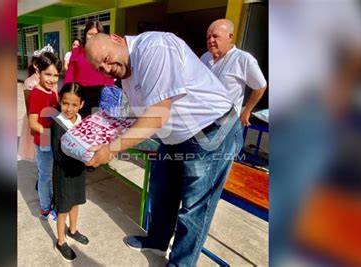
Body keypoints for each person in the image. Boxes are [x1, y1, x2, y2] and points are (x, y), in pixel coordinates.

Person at [85, 32, 244, 266]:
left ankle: (181, 263)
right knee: (161, 192)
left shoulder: (154, 48)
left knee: (194, 209)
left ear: (117, 39)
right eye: (100, 68)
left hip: (211, 131)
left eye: (107, 59)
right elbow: (139, 115)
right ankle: (158, 241)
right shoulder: (127, 71)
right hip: (173, 137)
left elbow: (156, 115)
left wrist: (111, 150)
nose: (107, 68)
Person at [202, 19, 267, 127]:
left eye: (215, 36)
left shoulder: (243, 59)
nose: (211, 40)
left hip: (225, 124)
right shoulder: (205, 57)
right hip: (202, 121)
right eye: (208, 37)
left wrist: (247, 110)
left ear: (230, 36)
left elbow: (260, 86)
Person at [51, 83, 89, 262]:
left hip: (78, 171)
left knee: (76, 201)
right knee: (63, 207)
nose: (69, 108)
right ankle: (60, 241)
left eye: (74, 104)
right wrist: (80, 155)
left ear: (81, 104)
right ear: (60, 101)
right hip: (64, 172)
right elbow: (58, 154)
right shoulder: (58, 124)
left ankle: (73, 230)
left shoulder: (81, 120)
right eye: (65, 103)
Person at [27, 52, 61, 219]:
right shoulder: (37, 93)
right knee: (45, 175)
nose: (52, 79)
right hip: (44, 142)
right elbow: (33, 123)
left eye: (56, 75)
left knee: (51, 173)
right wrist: (50, 133)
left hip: (53, 140)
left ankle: (51, 201)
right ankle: (45, 208)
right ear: (38, 72)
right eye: (48, 74)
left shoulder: (53, 92)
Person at [63, 21, 114, 119]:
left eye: (97, 34)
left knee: (98, 124)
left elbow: (109, 75)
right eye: (90, 34)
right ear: (85, 35)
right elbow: (70, 74)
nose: (93, 37)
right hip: (80, 94)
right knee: (79, 122)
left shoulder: (106, 53)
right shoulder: (77, 51)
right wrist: (67, 92)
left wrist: (109, 96)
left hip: (100, 94)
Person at [18, 44, 57, 162]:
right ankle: (42, 172)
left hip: (49, 120)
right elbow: (28, 105)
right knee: (42, 152)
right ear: (36, 66)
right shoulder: (30, 83)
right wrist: (32, 125)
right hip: (38, 121)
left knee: (48, 153)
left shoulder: (51, 81)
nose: (52, 77)